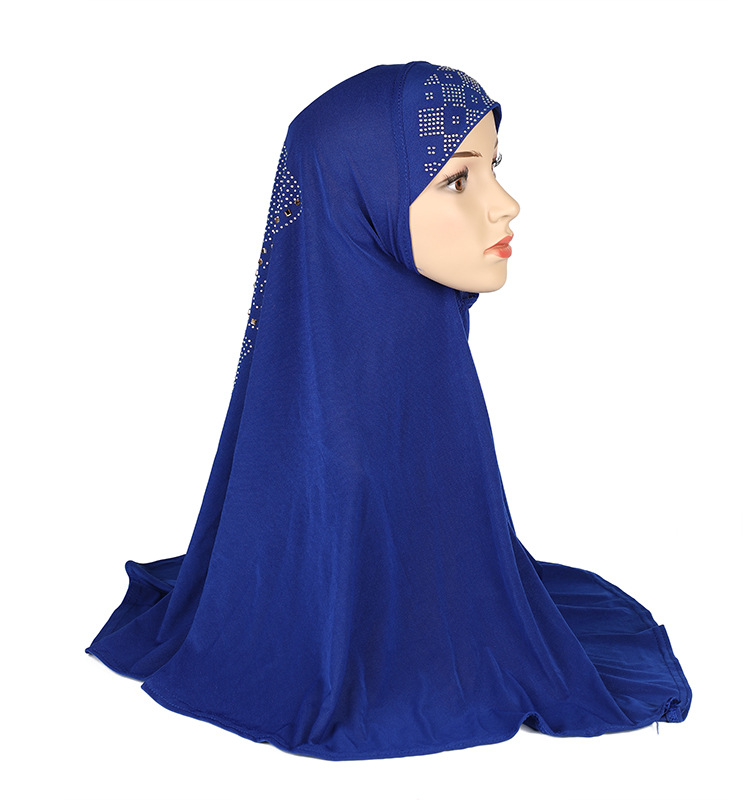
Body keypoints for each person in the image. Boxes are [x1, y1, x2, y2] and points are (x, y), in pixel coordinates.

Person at [86, 61, 691, 761]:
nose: (506, 204)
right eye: (457, 180)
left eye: (494, 167)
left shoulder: (428, 355)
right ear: (359, 196)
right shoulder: (331, 432)